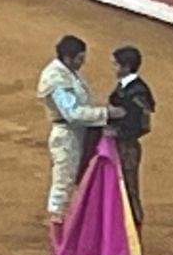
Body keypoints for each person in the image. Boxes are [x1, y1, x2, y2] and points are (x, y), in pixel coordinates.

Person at [36, 35, 119, 241]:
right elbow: (71, 113)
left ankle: (72, 228)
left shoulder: (67, 73)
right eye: (80, 58)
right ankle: (58, 238)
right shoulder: (57, 78)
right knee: (63, 182)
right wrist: (106, 114)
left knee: (75, 180)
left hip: (79, 134)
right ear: (68, 57)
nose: (82, 62)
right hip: (67, 136)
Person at [107, 45, 156, 229]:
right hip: (120, 145)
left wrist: (118, 132)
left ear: (126, 67)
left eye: (115, 65)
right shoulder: (126, 87)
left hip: (127, 147)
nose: (113, 69)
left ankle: (134, 233)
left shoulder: (138, 91)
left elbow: (141, 124)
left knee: (129, 190)